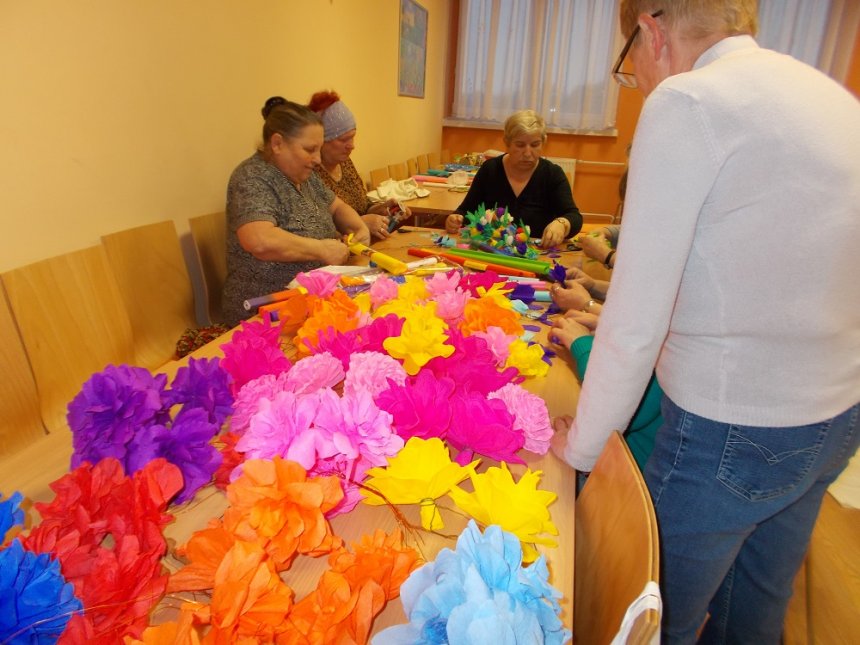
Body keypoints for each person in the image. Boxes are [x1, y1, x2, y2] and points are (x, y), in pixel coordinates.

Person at [552, 1, 860, 642]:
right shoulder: (827, 94)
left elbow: (636, 319)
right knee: (757, 604)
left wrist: (581, 450)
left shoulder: (688, 101)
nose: (636, 80)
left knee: (653, 618)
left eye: (628, 59)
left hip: (732, 427)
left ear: (653, 31)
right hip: (837, 413)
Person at [221, 97, 370, 327]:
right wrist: (321, 249)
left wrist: (359, 228)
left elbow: (338, 207)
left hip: (313, 301)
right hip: (265, 313)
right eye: (309, 150)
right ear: (277, 144)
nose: (317, 159)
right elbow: (259, 240)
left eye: (319, 149)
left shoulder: (306, 176)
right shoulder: (252, 178)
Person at [444, 110, 583, 248]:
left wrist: (562, 223)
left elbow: (574, 217)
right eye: (520, 145)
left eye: (535, 145)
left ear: (543, 143)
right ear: (507, 143)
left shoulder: (552, 174)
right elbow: (466, 211)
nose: (527, 153)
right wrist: (455, 219)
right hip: (493, 250)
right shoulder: (490, 170)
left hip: (537, 252)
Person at [308, 90, 411, 241]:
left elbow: (362, 206)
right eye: (344, 140)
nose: (352, 146)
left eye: (353, 137)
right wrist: (360, 224)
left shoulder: (345, 163)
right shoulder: (309, 173)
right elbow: (315, 229)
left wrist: (381, 208)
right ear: (322, 141)